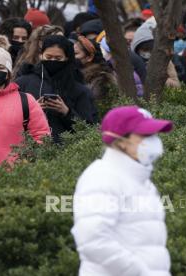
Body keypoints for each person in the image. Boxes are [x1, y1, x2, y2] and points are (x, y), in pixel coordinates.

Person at [71, 106, 173, 276]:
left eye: (154, 135)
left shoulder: (141, 180)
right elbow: (93, 241)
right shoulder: (102, 177)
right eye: (145, 135)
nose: (154, 141)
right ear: (120, 141)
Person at [0, 36, 50, 170]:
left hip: (15, 178)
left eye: (0, 67)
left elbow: (41, 136)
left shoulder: (26, 101)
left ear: (8, 74)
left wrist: (26, 164)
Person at [16, 35, 97, 143]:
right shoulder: (23, 82)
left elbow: (89, 129)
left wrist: (67, 112)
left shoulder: (79, 89)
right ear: (41, 55)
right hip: (30, 149)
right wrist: (31, 111)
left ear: (67, 58)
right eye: (48, 57)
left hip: (67, 153)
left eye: (58, 58)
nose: (53, 61)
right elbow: (9, 119)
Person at [131, 17, 181, 88]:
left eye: (151, 49)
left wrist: (161, 79)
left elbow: (177, 85)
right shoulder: (133, 64)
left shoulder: (166, 62)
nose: (147, 53)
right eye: (144, 50)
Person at [74, 36, 116, 103]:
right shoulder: (75, 75)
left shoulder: (103, 80)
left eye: (75, 53)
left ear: (89, 57)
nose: (71, 57)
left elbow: (100, 106)